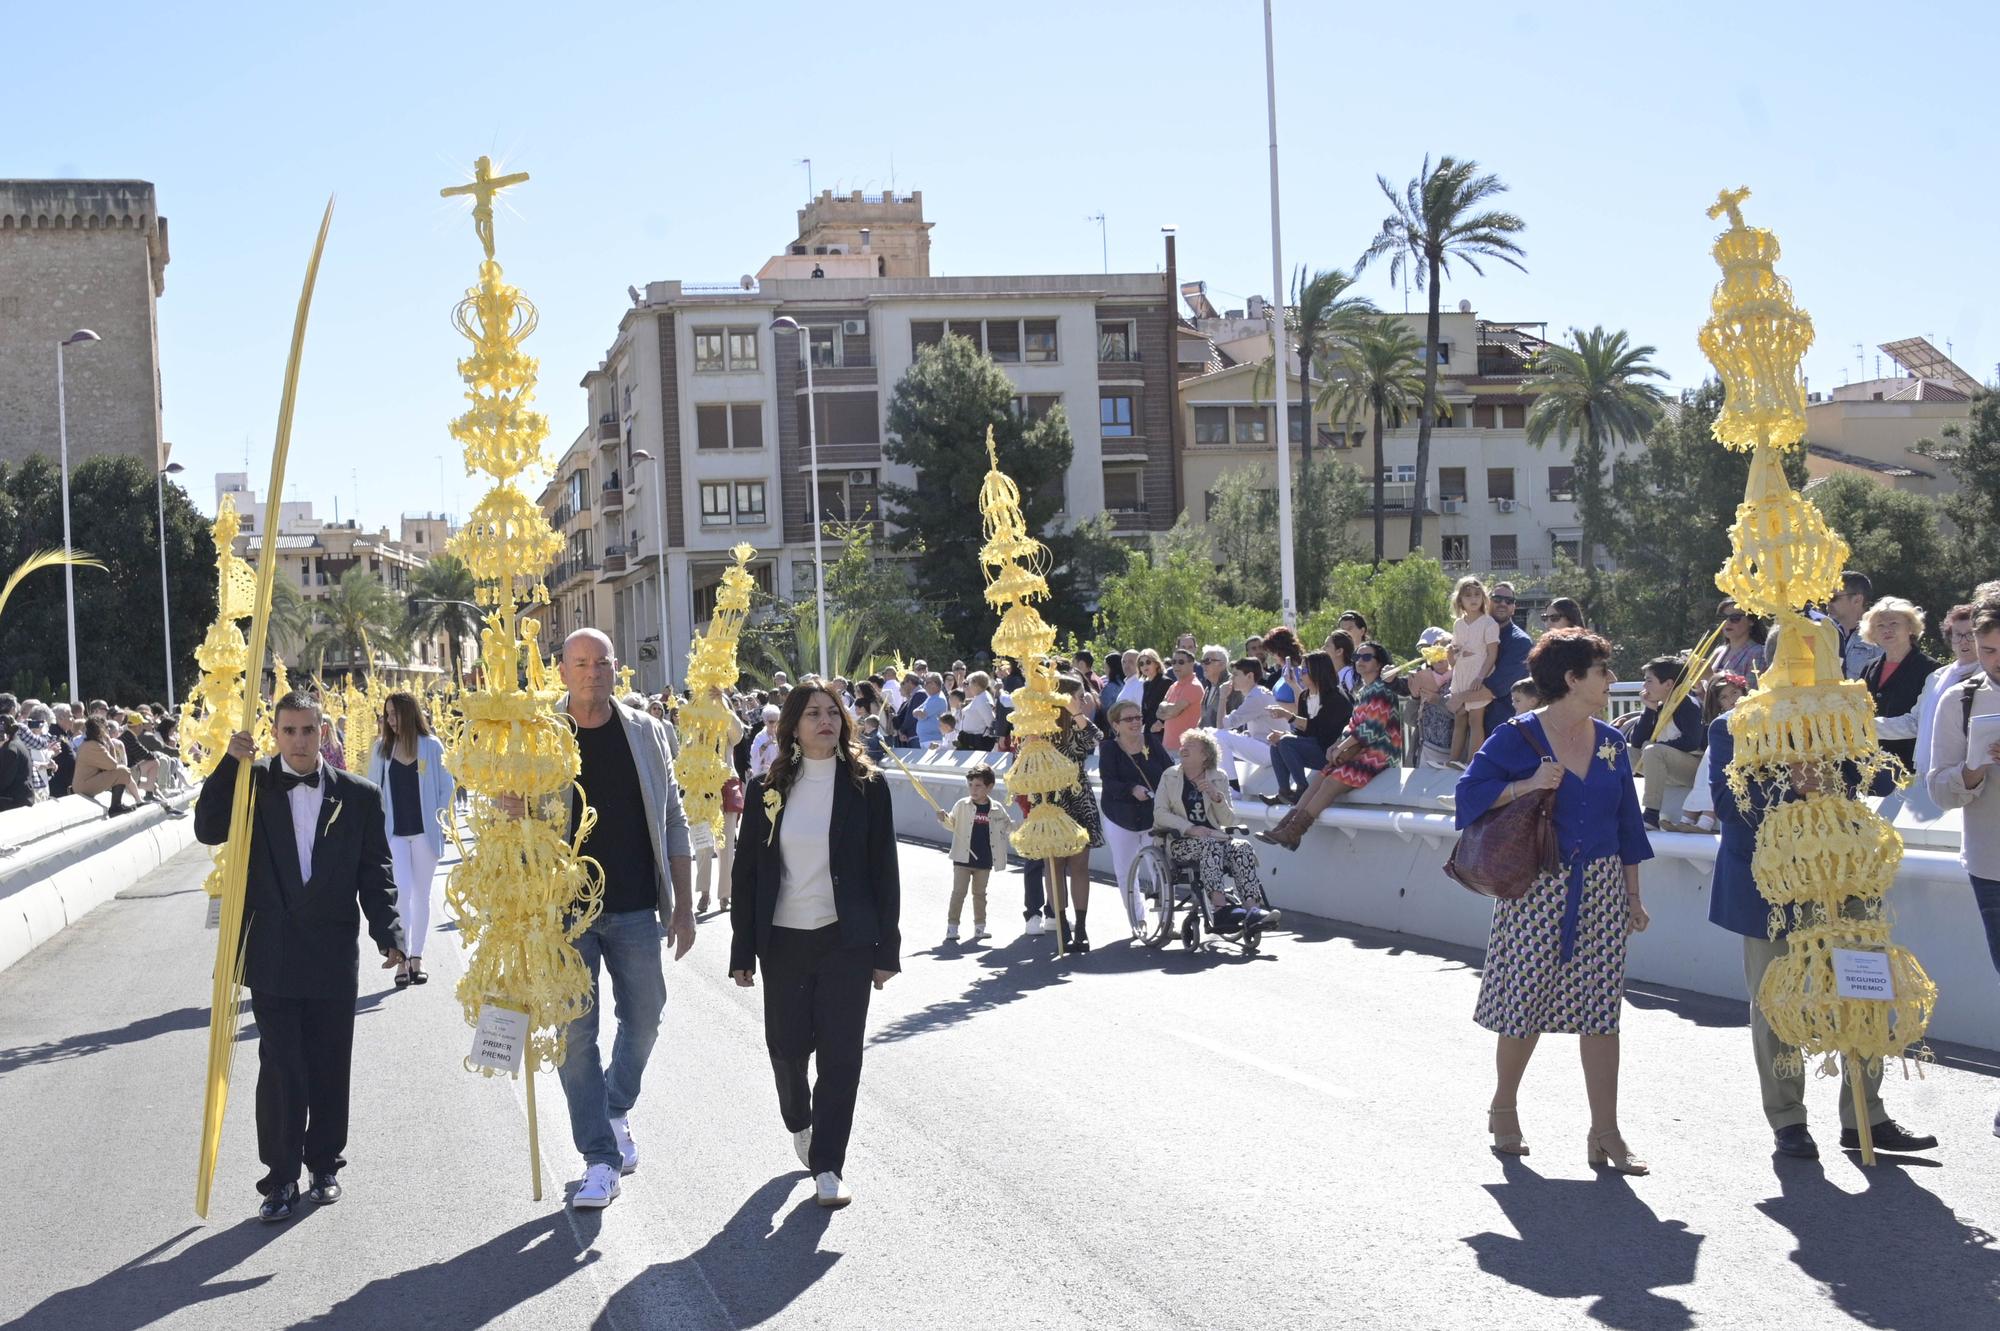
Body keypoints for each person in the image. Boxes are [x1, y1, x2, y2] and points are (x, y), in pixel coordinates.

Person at [193, 692, 406, 1221]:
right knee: (281, 1068)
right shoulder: (253, 783)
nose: (299, 741)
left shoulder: (358, 795)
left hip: (332, 953)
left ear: (323, 732)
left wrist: (390, 933)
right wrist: (230, 764)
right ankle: (280, 1178)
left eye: (308, 730)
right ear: (275, 734)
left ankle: (325, 1165)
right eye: (288, 731)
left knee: (330, 1063)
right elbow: (208, 828)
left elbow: (375, 871)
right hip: (273, 953)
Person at [1455, 630, 1654, 1174]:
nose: (1611, 680)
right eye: (1602, 671)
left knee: (1602, 1010)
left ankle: (1606, 1132)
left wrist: (1633, 896)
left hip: (1603, 886)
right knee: (1525, 1003)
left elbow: (1628, 824)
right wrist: (1526, 785)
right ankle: (1504, 1106)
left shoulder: (1611, 741)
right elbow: (1467, 797)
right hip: (1537, 886)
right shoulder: (1516, 737)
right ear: (1572, 678)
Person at [1717, 697, 1938, 1157]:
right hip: (1773, 889)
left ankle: (1865, 1118)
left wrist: (1841, 754)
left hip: (1845, 882)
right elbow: (1728, 804)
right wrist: (1794, 786)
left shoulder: (1836, 715)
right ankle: (1788, 1120)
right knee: (1777, 1002)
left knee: (1867, 990)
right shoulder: (1734, 725)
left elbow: (1880, 778)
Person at [534, 629, 694, 1210]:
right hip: (564, 914)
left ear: (615, 668)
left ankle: (614, 1105)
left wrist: (684, 905)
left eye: (601, 663)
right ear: (562, 670)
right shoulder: (539, 736)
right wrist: (509, 805)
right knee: (575, 1036)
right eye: (580, 663)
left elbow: (672, 817)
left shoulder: (646, 731)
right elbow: (509, 819)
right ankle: (599, 1158)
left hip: (633, 906)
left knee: (646, 1017)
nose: (592, 673)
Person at [730, 685, 901, 1209]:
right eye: (812, 713)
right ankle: (798, 1118)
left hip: (846, 941)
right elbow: (747, 873)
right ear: (794, 727)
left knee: (841, 1056)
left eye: (833, 712)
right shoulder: (766, 790)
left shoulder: (868, 787)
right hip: (783, 940)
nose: (825, 720)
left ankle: (829, 1165)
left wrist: (886, 950)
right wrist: (742, 949)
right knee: (785, 1049)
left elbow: (884, 870)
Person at [1927, 601, 2000, 1138]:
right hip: (1991, 863)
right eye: (1989, 650)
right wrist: (1973, 770)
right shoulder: (1961, 697)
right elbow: (1938, 788)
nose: (1996, 661)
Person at [1257, 641, 1406, 850]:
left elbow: (1370, 730)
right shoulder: (1364, 690)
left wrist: (1341, 746)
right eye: (1357, 657)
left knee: (1331, 782)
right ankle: (1285, 827)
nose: (1360, 661)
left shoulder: (1382, 690)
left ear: (1379, 663)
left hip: (1379, 753)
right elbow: (1352, 725)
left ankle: (1294, 832)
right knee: (1320, 779)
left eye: (1366, 657)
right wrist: (1337, 744)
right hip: (1359, 749)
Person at [366, 692, 454, 987]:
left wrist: (442, 823)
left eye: (394, 714)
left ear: (409, 713)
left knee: (422, 895)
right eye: (387, 714)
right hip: (394, 834)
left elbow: (446, 788)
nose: (390, 720)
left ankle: (417, 956)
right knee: (402, 892)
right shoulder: (381, 749)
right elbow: (372, 790)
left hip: (425, 833)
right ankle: (402, 958)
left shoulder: (432, 746)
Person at [1155, 728, 1275, 931]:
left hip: (1214, 838)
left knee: (1242, 847)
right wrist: (1190, 828)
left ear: (1205, 755)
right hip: (1180, 842)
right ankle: (1220, 909)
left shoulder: (1219, 777)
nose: (1183, 748)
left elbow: (1228, 819)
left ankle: (1252, 910)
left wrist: (1216, 797)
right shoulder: (1170, 776)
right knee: (1209, 845)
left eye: (1190, 746)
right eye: (1183, 745)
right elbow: (1160, 813)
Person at [1097, 698, 1173, 928]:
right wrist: (1131, 789)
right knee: (1126, 869)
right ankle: (1137, 919)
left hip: (1153, 816)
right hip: (1120, 816)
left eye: (1138, 717)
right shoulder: (1109, 749)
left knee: (1160, 867)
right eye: (1129, 719)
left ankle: (1166, 921)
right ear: (1116, 725)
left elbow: (1170, 771)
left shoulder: (1152, 742)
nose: (1135, 722)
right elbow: (1109, 781)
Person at [1046, 676, 1105, 951]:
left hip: (1079, 797)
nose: (1084, 700)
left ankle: (1081, 928)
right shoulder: (1043, 724)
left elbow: (1096, 738)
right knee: (1054, 865)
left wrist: (1077, 713)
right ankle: (1061, 924)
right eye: (1079, 696)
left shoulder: (1080, 722)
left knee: (1080, 865)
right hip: (1050, 798)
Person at [1857, 597, 1938, 771]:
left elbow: (1923, 723)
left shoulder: (1930, 669)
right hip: (1870, 765)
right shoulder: (1869, 667)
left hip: (1909, 766)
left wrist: (1866, 726)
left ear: (1910, 627)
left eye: (1894, 623)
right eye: (1880, 625)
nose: (1887, 630)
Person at [937, 763, 1011, 943]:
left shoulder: (997, 808)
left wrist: (1023, 830)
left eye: (978, 785)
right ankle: (952, 927)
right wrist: (943, 819)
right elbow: (952, 824)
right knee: (958, 893)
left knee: (980, 895)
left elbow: (1007, 826)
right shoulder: (962, 805)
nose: (973, 789)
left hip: (985, 859)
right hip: (962, 858)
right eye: (970, 785)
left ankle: (980, 927)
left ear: (989, 787)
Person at [1263, 651, 1350, 804]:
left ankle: (1302, 788)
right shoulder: (1304, 696)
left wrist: (1288, 716)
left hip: (1329, 751)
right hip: (1312, 747)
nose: (1301, 674)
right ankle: (1284, 792)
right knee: (1277, 742)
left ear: (1318, 671)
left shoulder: (1336, 697)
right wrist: (1283, 734)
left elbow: (1319, 728)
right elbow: (1301, 732)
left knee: (1285, 742)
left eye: (1305, 670)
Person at [1665, 673, 1745, 834]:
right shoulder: (1722, 721)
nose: (1732, 700)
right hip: (1722, 757)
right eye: (1724, 697)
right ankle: (1686, 819)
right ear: (1719, 704)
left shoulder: (1754, 714)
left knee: (1715, 772)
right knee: (1705, 770)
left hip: (1740, 756)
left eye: (1735, 693)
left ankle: (1705, 822)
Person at [1632, 655, 1705, 830]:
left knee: (1652, 750)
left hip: (1693, 768)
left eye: (1649, 681)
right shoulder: (1659, 706)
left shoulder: (1688, 704)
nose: (1644, 686)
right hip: (1666, 763)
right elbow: (1636, 742)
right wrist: (1649, 710)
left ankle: (1651, 814)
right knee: (1624, 750)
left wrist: (1657, 747)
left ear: (1668, 684)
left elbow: (1691, 742)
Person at [1915, 603, 1982, 782]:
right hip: (1935, 771)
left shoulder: (1991, 676)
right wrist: (1867, 724)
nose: (1964, 641)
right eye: (1958, 635)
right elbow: (1915, 722)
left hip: (1973, 771)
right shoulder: (1936, 677)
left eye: (1971, 634)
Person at [73, 716, 177, 818]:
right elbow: (113, 765)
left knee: (123, 770)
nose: (108, 729)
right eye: (106, 727)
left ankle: (135, 800)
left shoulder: (90, 744)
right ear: (100, 730)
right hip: (84, 786)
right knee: (122, 771)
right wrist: (111, 745)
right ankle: (116, 806)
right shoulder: (94, 746)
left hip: (86, 782)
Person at [1449, 576, 1500, 763]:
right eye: (1468, 595)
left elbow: (1492, 655)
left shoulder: (1489, 623)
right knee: (1460, 718)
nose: (1473, 599)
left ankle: (1472, 764)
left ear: (1483, 598)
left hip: (1478, 674)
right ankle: (1452, 762)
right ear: (1460, 600)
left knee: (1475, 721)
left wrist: (1480, 677)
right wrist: (1449, 653)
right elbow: (1454, 658)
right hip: (1461, 674)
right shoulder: (1458, 624)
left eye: (1477, 594)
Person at [1478, 582, 1538, 731]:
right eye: (1497, 599)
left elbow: (1493, 689)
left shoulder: (1520, 642)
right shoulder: (1475, 634)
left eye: (1509, 601)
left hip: (1503, 729)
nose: (1503, 604)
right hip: (1470, 726)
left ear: (1514, 607)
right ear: (1487, 602)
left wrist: (1457, 698)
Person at [1212, 659, 1279, 788]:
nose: (1232, 679)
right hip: (1269, 749)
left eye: (1236, 674)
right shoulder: (1256, 693)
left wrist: (1223, 697)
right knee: (1212, 733)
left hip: (1273, 752)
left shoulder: (1257, 696)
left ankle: (1232, 787)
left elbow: (1221, 726)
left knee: (1219, 736)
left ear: (1250, 676)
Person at [1157, 648, 1208, 752]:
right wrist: (1165, 707)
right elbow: (1158, 714)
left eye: (1181, 662)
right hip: (1167, 746)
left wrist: (1165, 707)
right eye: (1173, 662)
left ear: (1191, 664)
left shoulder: (1194, 686)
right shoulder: (1173, 686)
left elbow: (1173, 711)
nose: (1176, 665)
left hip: (1185, 748)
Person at [1707, 598, 1768, 681]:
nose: (1727, 622)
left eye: (1735, 618)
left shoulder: (1759, 653)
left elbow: (1752, 688)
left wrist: (1709, 677)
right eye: (1723, 618)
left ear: (1751, 621)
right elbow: (1703, 689)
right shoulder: (1719, 652)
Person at [957, 672, 997, 751]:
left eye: (969, 683)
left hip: (977, 741)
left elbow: (990, 722)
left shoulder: (983, 699)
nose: (968, 686)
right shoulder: (980, 697)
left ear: (976, 684)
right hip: (969, 740)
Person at [0, 715, 33, 812]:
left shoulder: (10, 749)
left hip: (14, 802)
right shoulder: (17, 743)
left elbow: (4, 780)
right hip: (19, 800)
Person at [1196, 643, 1233, 729]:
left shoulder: (1232, 684)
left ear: (1222, 664)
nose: (1203, 665)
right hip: (1208, 736)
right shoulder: (1209, 686)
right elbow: (1205, 719)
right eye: (1202, 662)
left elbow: (1238, 719)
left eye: (1207, 661)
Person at [749, 704, 783, 778]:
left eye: (777, 721)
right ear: (765, 721)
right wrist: (767, 744)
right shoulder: (760, 737)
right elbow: (754, 755)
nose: (775, 724)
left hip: (780, 773)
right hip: (764, 774)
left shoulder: (783, 734)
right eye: (771, 722)